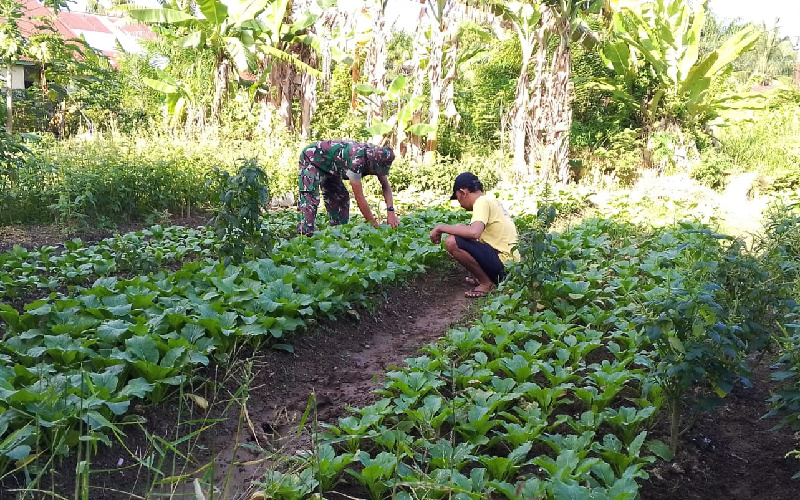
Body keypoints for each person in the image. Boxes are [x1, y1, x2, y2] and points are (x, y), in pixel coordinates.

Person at [430, 172, 520, 298]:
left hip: (504, 265)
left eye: (458, 198)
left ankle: (486, 283)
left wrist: (441, 227)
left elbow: (474, 232)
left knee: (452, 242)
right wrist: (457, 228)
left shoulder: (481, 202)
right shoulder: (491, 200)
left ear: (463, 192)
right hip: (513, 267)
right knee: (459, 230)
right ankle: (488, 278)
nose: (460, 204)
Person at [297, 139, 399, 236]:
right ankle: (305, 235)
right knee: (309, 197)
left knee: (340, 197)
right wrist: (374, 225)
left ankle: (338, 232)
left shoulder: (379, 157)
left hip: (333, 166)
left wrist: (391, 211)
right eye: (376, 170)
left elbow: (385, 185)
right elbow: (359, 197)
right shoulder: (357, 161)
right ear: (370, 163)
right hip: (312, 159)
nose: (377, 172)